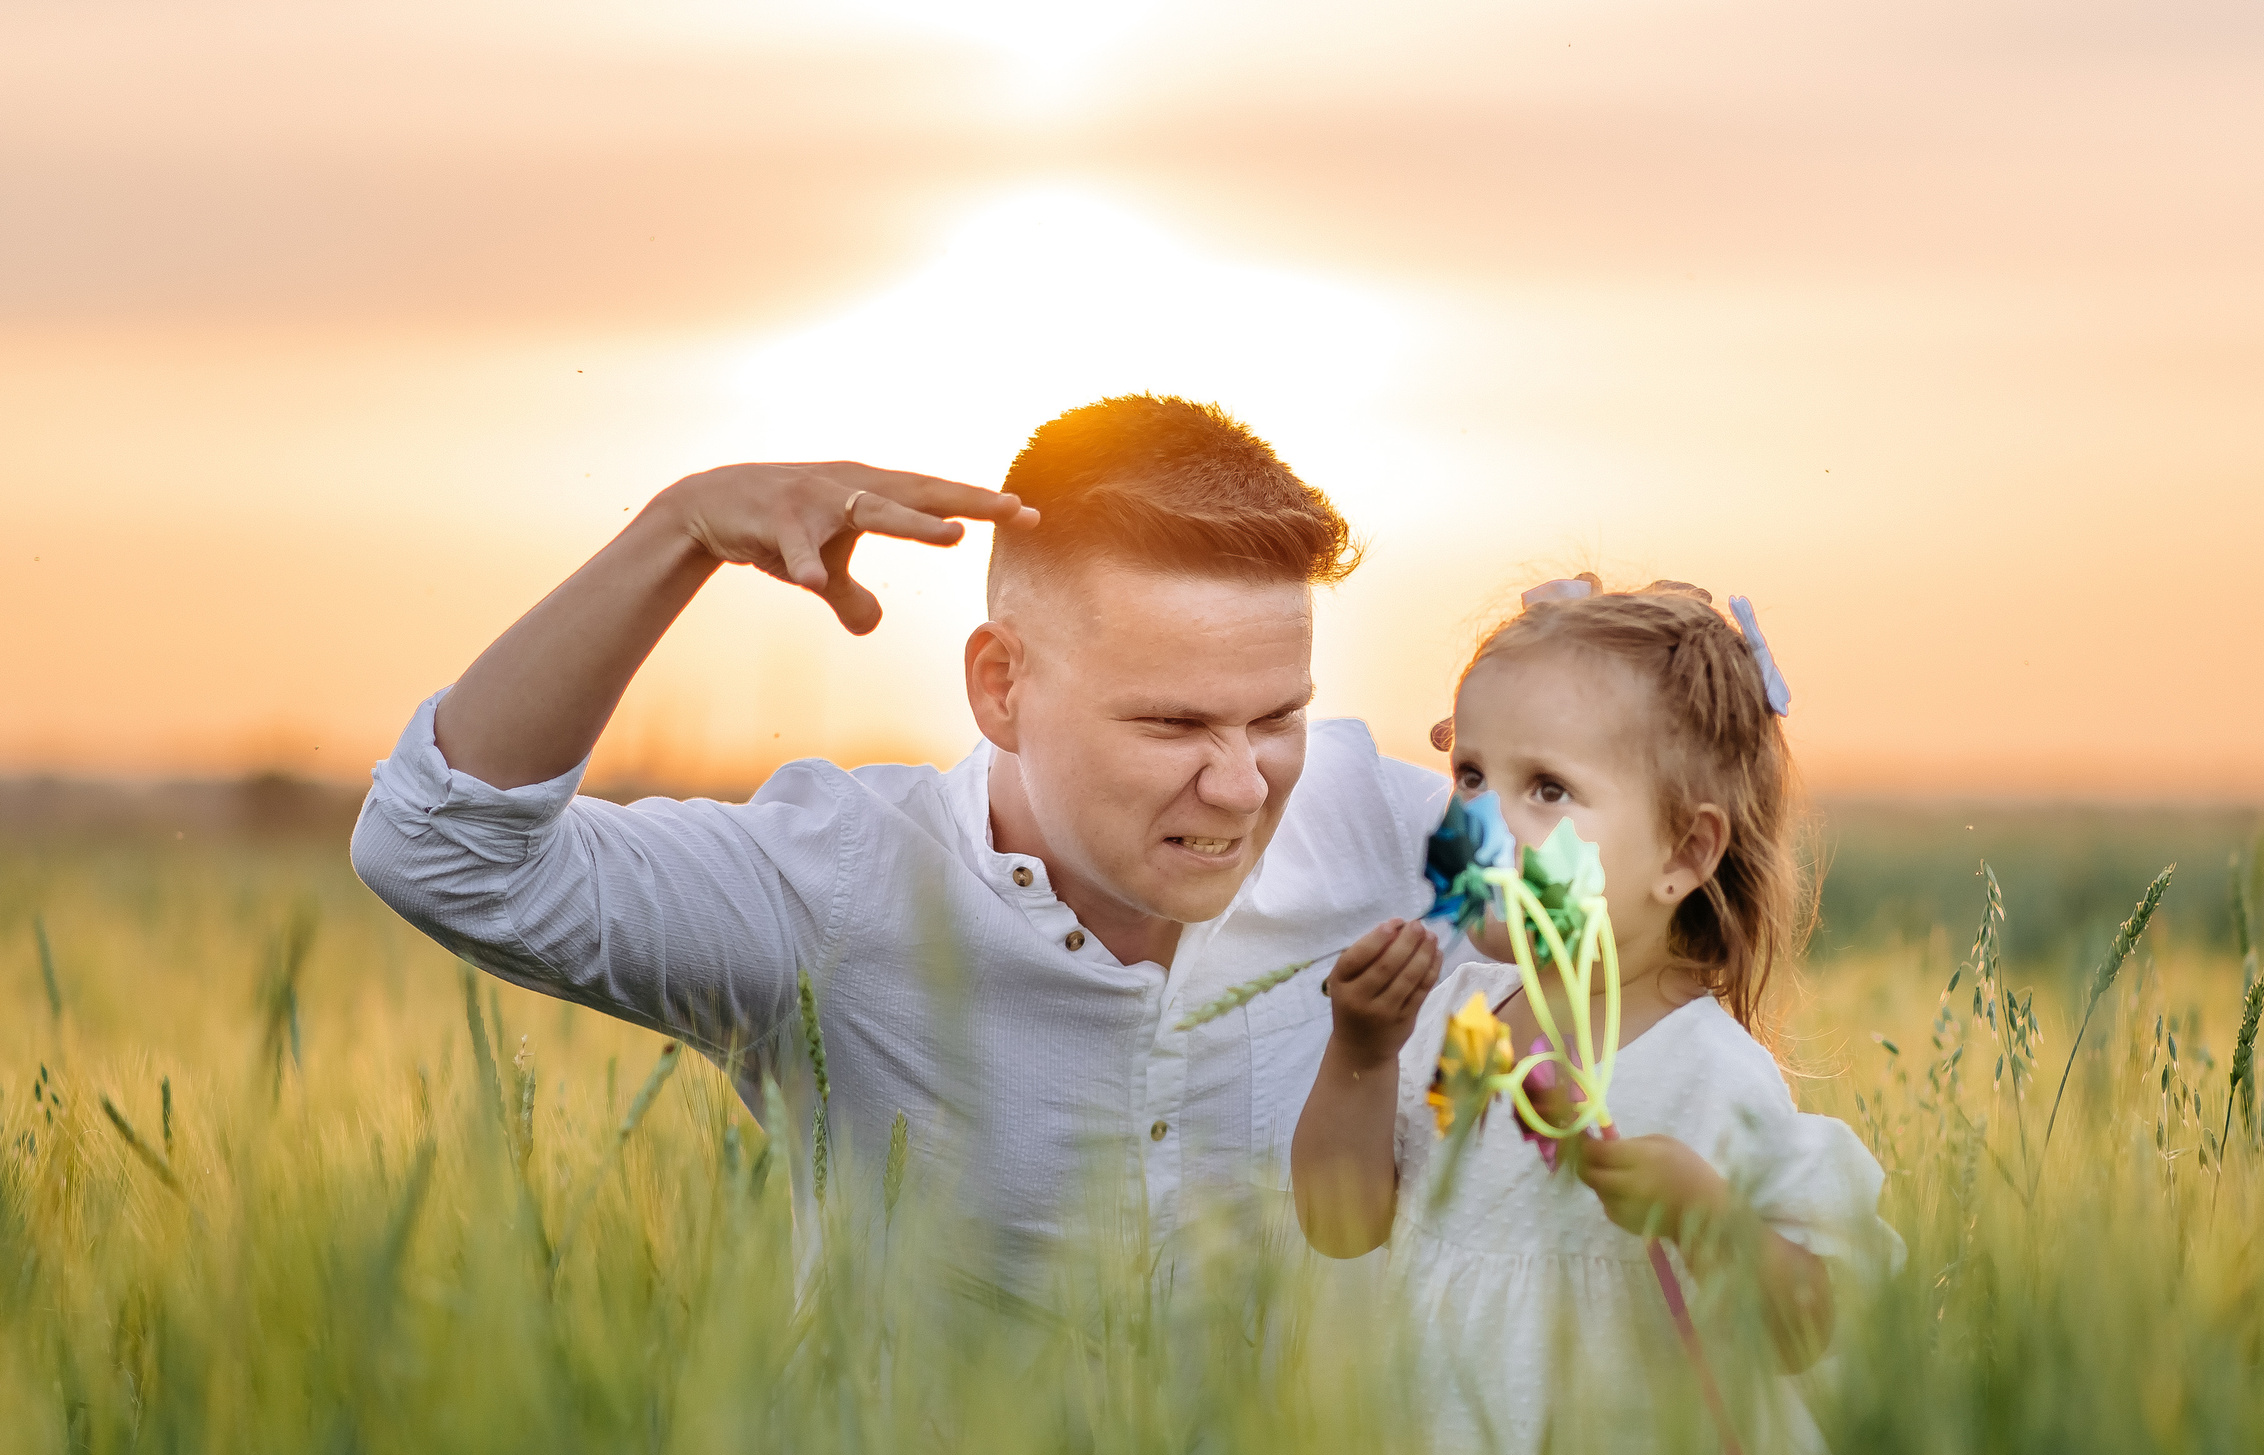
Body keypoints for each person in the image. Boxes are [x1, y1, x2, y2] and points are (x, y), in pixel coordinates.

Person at [351, 395, 1457, 1290]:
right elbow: (441, 852)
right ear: (1000, 683)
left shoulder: (1392, 836)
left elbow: (1617, 905)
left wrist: (1609, 699)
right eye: (1172, 723)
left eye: (1277, 718)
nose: (1238, 783)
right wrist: (676, 530)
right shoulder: (837, 886)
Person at [1289, 575, 1901, 1455]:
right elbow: (1343, 1223)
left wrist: (1709, 1219)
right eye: (1470, 777)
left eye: (1547, 788)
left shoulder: (1706, 1074)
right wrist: (1363, 1052)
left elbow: (1811, 1324)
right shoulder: (1467, 1022)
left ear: (1685, 854)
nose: (1481, 825)